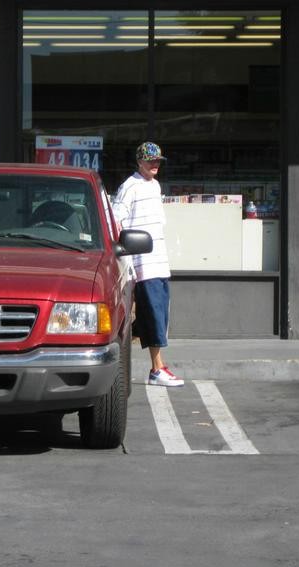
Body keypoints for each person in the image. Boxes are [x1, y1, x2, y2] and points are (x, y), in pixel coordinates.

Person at [112, 141, 184, 387]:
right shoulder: (129, 187)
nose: (155, 165)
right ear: (139, 161)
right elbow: (116, 220)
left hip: (158, 261)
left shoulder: (155, 186)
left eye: (158, 161)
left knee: (157, 314)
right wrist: (126, 260)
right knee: (149, 315)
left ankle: (154, 367)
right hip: (142, 264)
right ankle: (156, 368)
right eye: (151, 160)